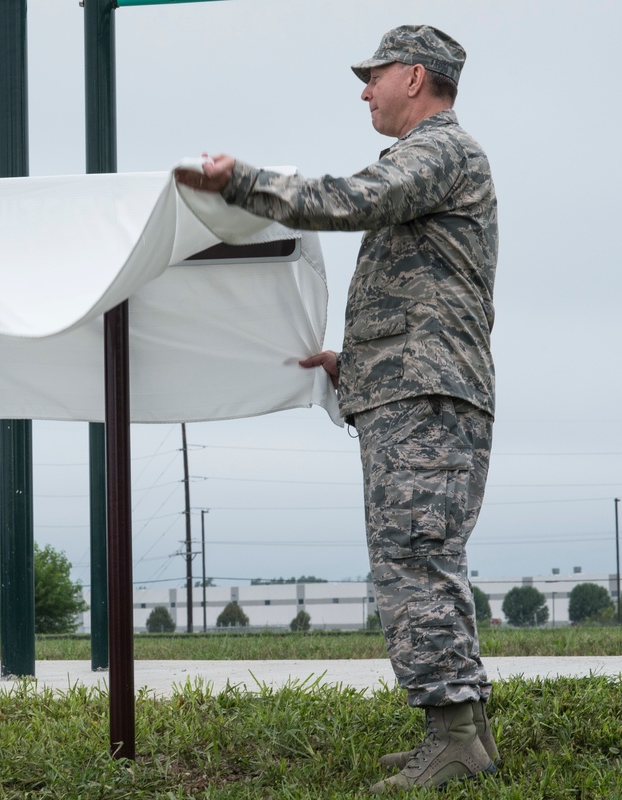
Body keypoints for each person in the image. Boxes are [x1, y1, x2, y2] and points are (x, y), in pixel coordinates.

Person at [176, 25, 499, 793]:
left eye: (374, 76)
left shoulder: (440, 151)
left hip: (424, 394)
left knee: (414, 562)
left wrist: (244, 183)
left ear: (415, 76)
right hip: (411, 387)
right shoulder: (435, 160)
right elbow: (424, 293)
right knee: (423, 558)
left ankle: (452, 737)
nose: (364, 90)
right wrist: (354, 364)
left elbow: (357, 199)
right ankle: (468, 735)